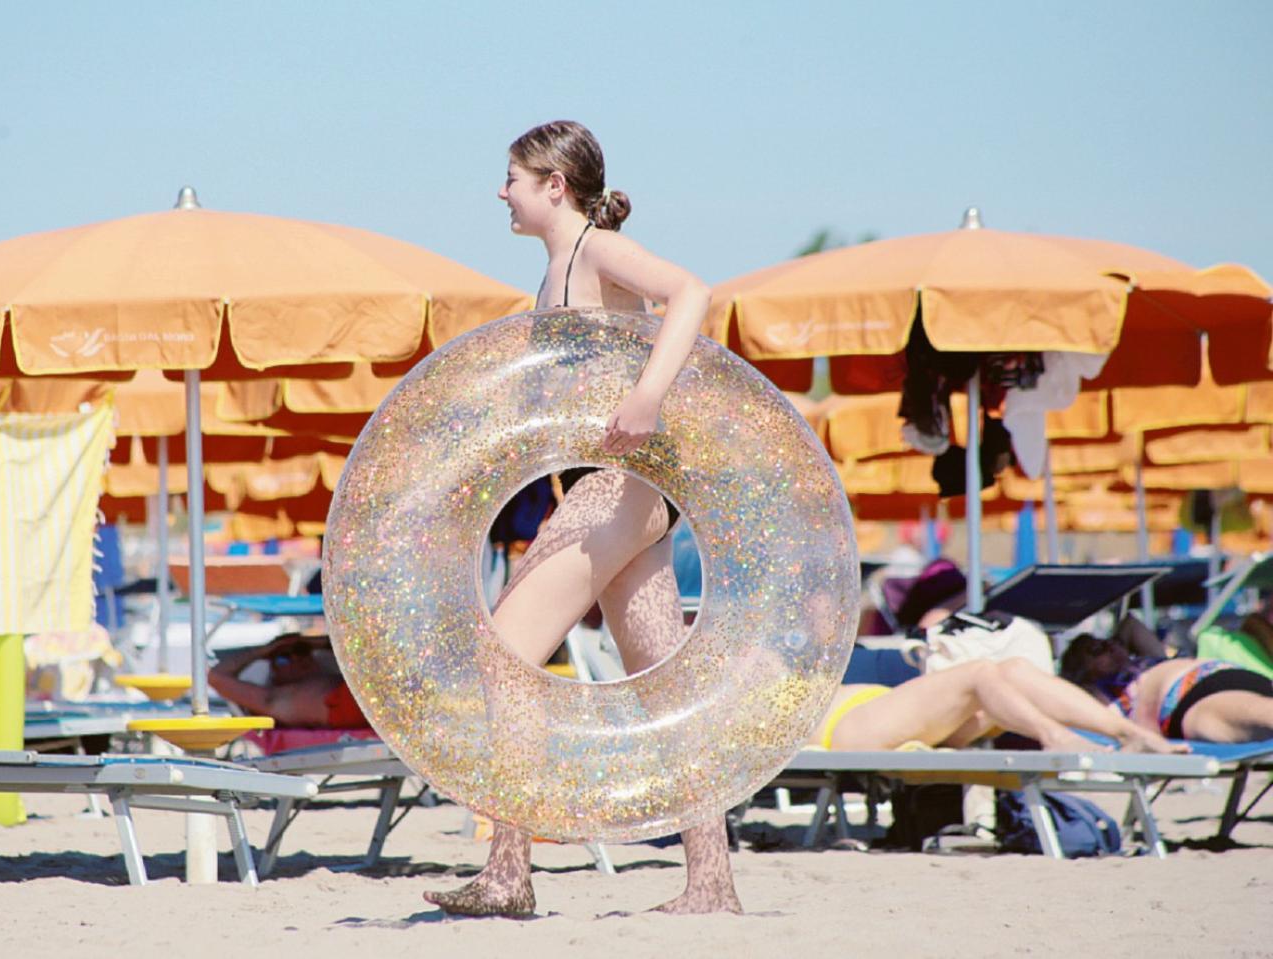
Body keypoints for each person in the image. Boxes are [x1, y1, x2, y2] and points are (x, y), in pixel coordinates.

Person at [424, 120, 733, 918]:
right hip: (634, 495)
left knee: (502, 654)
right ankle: (711, 883)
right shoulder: (558, 266)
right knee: (667, 690)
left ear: (553, 185)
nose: (502, 191)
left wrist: (648, 395)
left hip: (619, 487)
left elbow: (692, 290)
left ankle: (508, 870)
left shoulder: (594, 249)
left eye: (513, 177)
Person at [813, 655, 1186, 754]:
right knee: (978, 674)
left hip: (875, 709)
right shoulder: (761, 668)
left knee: (1013, 670)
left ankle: (1130, 733)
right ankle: (1055, 736)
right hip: (847, 727)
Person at [1061, 635, 1273, 743]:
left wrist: (1116, 646)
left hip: (1228, 674)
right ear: (1084, 670)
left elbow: (1130, 624)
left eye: (1110, 641)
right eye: (1097, 649)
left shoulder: (1146, 659)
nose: (1110, 646)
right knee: (1264, 714)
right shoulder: (1103, 695)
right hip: (1190, 701)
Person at [207, 633, 367, 729]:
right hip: (358, 704)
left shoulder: (334, 673)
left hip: (366, 696)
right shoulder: (274, 699)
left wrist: (311, 641)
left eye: (301, 651)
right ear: (274, 671)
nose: (296, 658)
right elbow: (216, 677)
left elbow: (356, 645)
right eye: (284, 658)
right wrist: (263, 651)